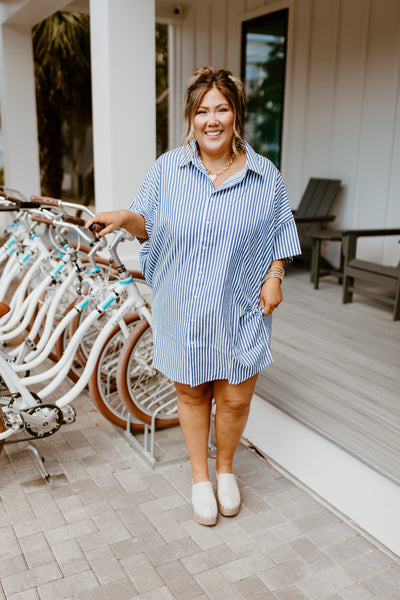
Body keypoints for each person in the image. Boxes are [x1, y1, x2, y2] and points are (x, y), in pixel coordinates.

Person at [86, 66, 301, 526]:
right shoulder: (168, 169)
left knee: (236, 397)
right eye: (203, 110)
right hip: (184, 306)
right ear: (191, 117)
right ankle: (200, 477)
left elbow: (280, 231)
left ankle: (226, 470)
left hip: (240, 307)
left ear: (235, 114)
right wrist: (125, 216)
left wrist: (275, 275)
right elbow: (148, 222)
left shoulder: (265, 175)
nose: (212, 119)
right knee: (191, 392)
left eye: (221, 108)